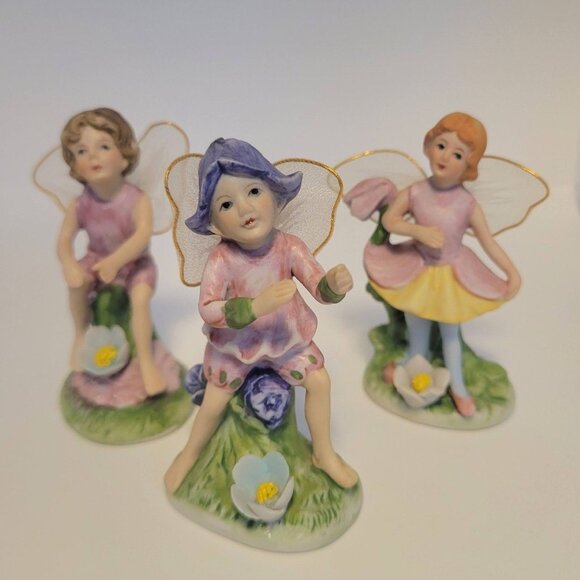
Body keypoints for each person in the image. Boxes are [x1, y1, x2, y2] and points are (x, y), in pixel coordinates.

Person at [164, 138, 358, 493]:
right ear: (214, 224)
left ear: (275, 195)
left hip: (286, 341)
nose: (245, 209)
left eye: (253, 191)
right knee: (214, 400)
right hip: (236, 348)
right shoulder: (222, 259)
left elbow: (318, 287)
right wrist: (254, 307)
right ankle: (190, 453)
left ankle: (323, 453)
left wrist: (333, 285)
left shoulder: (290, 246)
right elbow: (208, 307)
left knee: (319, 382)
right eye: (226, 204)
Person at [362, 112, 521, 416]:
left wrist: (511, 272)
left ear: (469, 167)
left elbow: (488, 241)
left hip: (452, 274)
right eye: (441, 145)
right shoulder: (416, 191)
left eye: (458, 154)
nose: (446, 157)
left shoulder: (467, 203)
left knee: (450, 333)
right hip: (418, 268)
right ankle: (412, 360)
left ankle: (458, 385)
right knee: (417, 324)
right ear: (428, 145)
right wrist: (417, 231)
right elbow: (391, 220)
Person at [58, 108, 166, 396]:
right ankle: (80, 335)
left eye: (103, 147)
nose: (93, 156)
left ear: (125, 155)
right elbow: (64, 239)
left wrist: (116, 261)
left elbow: (141, 237)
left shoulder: (137, 200)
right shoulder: (80, 204)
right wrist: (69, 264)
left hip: (134, 264)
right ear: (73, 163)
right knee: (76, 283)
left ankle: (146, 362)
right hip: (96, 260)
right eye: (82, 151)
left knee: (140, 300)